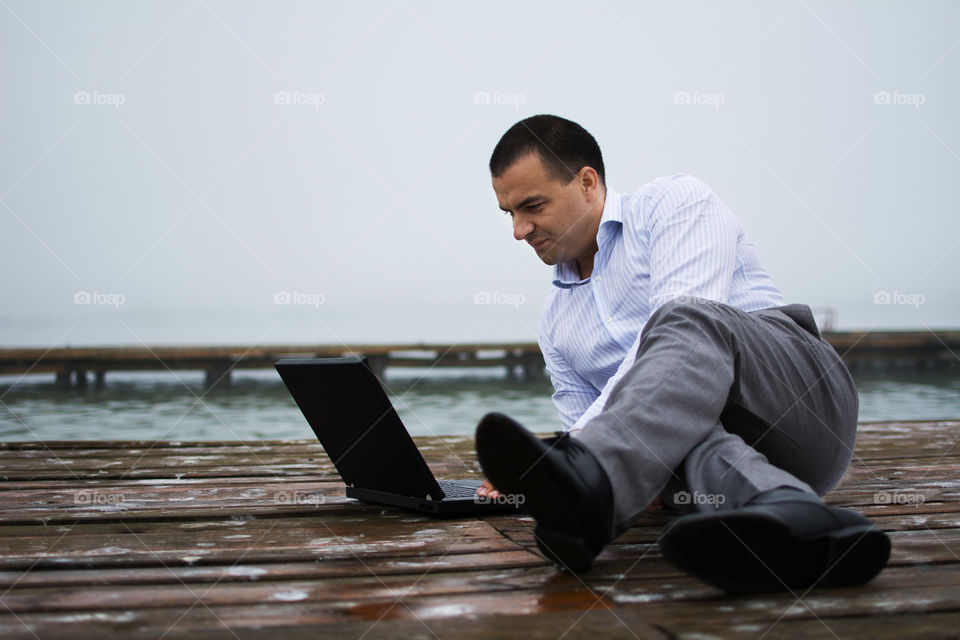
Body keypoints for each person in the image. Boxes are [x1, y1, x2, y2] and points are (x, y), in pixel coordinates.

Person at [474, 114, 890, 594]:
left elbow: (685, 332)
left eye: (532, 206)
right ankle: (795, 516)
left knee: (683, 318)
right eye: (509, 213)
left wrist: (575, 455)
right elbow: (606, 421)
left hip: (804, 406)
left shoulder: (673, 204)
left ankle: (595, 484)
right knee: (678, 425)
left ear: (587, 182)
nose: (519, 230)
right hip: (712, 464)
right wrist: (574, 469)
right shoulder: (556, 322)